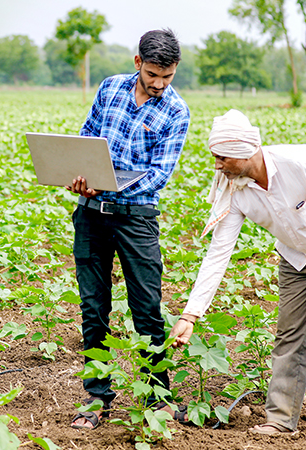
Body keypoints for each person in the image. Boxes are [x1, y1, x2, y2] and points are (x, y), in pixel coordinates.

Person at [169, 109, 306, 438]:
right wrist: (190, 314)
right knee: (290, 336)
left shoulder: (298, 161)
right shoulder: (235, 191)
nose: (217, 165)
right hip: (296, 257)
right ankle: (280, 418)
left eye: (221, 157)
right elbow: (218, 254)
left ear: (243, 152)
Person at [67, 29, 190, 430]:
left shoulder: (176, 111)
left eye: (167, 76)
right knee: (93, 309)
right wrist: (80, 176)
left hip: (136, 219)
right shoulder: (110, 88)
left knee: (146, 309)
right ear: (138, 63)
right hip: (90, 213)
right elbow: (87, 137)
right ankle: (96, 397)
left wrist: (112, 184)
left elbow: (159, 175)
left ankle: (159, 396)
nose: (159, 84)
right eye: (153, 74)